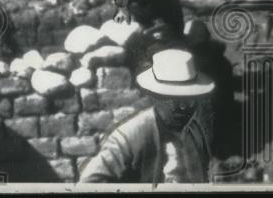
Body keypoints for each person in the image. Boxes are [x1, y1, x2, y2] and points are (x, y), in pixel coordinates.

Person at [79, 48, 214, 184]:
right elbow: (88, 184)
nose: (182, 107)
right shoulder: (130, 135)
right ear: (154, 97)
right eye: (170, 98)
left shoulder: (194, 130)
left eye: (188, 98)